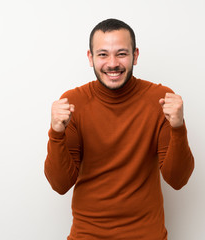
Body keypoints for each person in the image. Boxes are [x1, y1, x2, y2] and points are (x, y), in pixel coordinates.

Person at [44, 18, 194, 240]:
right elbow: (60, 184)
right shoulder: (74, 102)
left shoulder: (159, 100)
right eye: (103, 54)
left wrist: (178, 128)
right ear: (90, 57)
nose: (112, 63)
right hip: (88, 234)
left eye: (121, 53)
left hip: (146, 235)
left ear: (135, 56)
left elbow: (177, 179)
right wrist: (56, 133)